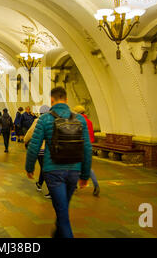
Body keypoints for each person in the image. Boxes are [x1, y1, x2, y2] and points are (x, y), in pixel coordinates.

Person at [25, 87, 92, 238]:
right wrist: (85, 175)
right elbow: (87, 147)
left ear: (52, 100)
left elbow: (34, 146)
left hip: (53, 171)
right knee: (62, 208)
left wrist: (29, 167)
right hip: (74, 170)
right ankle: (57, 234)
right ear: (67, 100)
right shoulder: (80, 119)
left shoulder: (45, 119)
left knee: (62, 212)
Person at [24, 104, 51, 198]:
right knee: (45, 167)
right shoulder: (53, 120)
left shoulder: (37, 121)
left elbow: (29, 133)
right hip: (49, 150)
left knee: (45, 169)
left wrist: (25, 140)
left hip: (40, 149)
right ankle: (39, 184)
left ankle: (50, 190)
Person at [73, 105, 100, 197]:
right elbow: (91, 135)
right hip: (88, 146)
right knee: (87, 167)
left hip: (78, 146)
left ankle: (74, 187)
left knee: (74, 166)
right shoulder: (89, 121)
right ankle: (96, 185)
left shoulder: (77, 121)